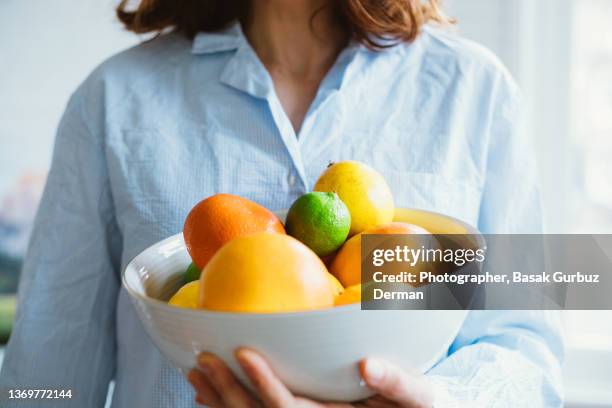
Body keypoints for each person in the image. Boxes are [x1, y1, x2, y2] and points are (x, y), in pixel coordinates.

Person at [0, 0, 563, 407]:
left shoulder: (474, 91)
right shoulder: (113, 100)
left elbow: (526, 347)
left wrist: (442, 400)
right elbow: (44, 380)